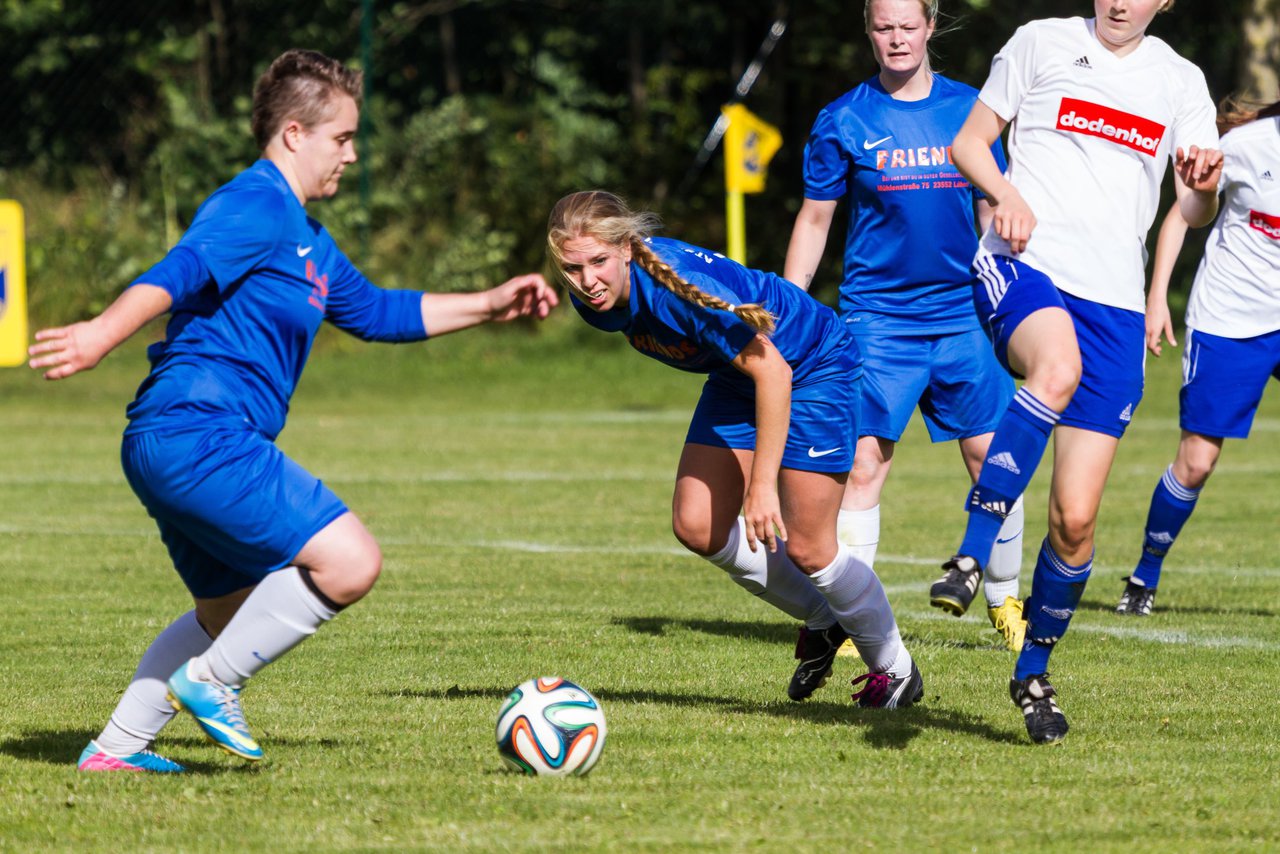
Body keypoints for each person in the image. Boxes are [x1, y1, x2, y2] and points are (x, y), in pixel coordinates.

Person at [30, 49, 558, 773]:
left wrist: (491, 303)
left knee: (227, 610)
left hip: (170, 437)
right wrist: (98, 333)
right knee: (349, 561)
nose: (351, 154)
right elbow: (178, 272)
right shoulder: (255, 204)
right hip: (198, 430)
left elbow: (376, 312)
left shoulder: (306, 238)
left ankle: (115, 751)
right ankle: (215, 681)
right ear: (292, 134)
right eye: (341, 137)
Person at [944, 0, 1222, 743]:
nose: (1120, 2)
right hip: (1026, 267)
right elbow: (969, 143)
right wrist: (1003, 195)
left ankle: (1031, 672)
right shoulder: (1041, 43)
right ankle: (970, 556)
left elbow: (1194, 205)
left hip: (1116, 310)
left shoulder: (1180, 80)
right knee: (1054, 367)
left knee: (1075, 520)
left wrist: (1202, 181)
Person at [547, 190, 923, 709]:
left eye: (598, 262)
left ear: (628, 248)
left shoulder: (674, 290)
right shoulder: (595, 302)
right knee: (697, 524)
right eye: (572, 267)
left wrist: (761, 487)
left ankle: (895, 670)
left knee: (810, 548)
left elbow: (774, 368)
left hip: (810, 366)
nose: (587, 281)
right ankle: (824, 619)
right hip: (738, 374)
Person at [783, 0, 1026, 652]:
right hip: (877, 319)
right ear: (869, 32)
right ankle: (846, 615)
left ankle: (1005, 598)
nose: (896, 38)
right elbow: (814, 220)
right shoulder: (843, 118)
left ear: (930, 27)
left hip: (962, 316)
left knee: (994, 461)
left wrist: (1009, 301)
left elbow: (993, 209)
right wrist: (789, 308)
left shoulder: (969, 110)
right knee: (862, 466)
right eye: (883, 27)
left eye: (907, 26)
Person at [1117, 95, 1280, 616]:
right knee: (1197, 461)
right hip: (1231, 319)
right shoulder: (1245, 146)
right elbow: (1184, 216)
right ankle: (1145, 576)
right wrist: (1157, 295)